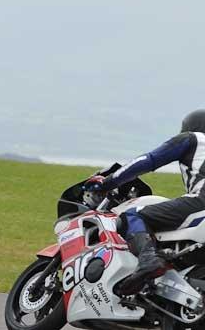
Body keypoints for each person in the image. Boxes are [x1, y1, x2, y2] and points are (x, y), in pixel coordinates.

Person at [83, 109, 205, 295]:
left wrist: (107, 182)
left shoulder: (192, 139)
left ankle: (148, 260)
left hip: (201, 201)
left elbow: (149, 160)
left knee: (133, 215)